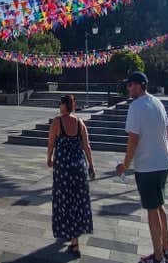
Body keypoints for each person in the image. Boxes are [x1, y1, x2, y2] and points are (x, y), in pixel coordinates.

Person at [116, 72, 168, 263]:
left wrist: (125, 165)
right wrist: (164, 155)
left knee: (151, 209)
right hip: (163, 163)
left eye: (131, 85)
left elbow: (133, 138)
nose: (128, 88)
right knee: (160, 206)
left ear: (140, 85)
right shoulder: (158, 103)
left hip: (147, 166)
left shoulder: (136, 106)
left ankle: (157, 257)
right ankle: (166, 250)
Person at [47, 94, 95, 257]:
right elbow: (87, 146)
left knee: (64, 200)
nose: (59, 106)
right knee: (77, 201)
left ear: (64, 105)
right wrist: (91, 166)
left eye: (60, 103)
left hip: (63, 170)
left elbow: (51, 143)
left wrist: (49, 158)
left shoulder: (57, 122)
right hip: (79, 169)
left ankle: (71, 237)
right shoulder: (80, 122)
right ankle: (74, 238)